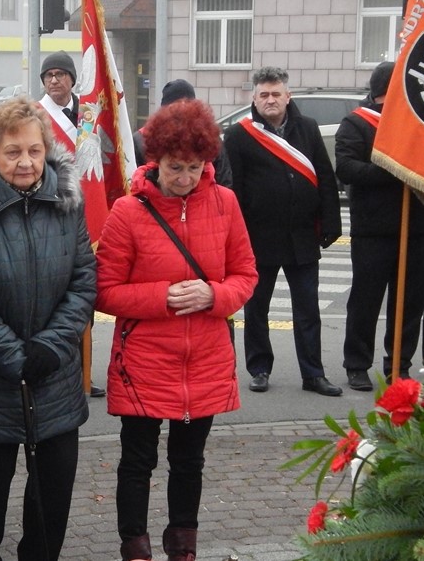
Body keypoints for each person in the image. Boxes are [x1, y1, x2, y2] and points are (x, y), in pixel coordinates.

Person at [96, 98, 257, 561]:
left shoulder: (224, 203)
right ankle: (135, 545)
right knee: (138, 462)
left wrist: (214, 296)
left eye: (192, 167)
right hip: (144, 359)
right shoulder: (128, 211)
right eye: (173, 168)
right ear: (155, 161)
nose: (183, 178)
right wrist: (162, 298)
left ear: (206, 162)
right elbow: (105, 291)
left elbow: (246, 274)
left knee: (189, 462)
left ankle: (183, 544)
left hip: (204, 357)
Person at [0, 96, 96, 561]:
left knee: (52, 499)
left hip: (54, 378)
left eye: (33, 150)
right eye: (12, 152)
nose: (25, 161)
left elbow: (84, 278)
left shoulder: (66, 200)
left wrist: (52, 346)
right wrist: (12, 355)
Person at [223, 66, 343, 396]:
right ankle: (259, 368)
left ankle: (313, 373)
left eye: (277, 93)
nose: (271, 99)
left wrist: (332, 223)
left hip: (302, 237)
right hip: (258, 240)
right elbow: (234, 191)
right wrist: (236, 239)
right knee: (257, 309)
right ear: (254, 98)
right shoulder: (239, 135)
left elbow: (325, 177)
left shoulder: (308, 128)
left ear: (287, 96)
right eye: (264, 94)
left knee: (308, 311)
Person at [336, 61, 424, 390]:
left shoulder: (416, 124)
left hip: (416, 230)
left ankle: (398, 366)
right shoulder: (355, 124)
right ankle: (357, 364)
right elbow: (345, 168)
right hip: (373, 229)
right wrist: (393, 168)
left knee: (409, 303)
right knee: (366, 300)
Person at [37, 50, 106, 398]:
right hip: (51, 211)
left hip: (87, 214)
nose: (54, 81)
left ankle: (85, 373)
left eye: (60, 74)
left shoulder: (88, 112)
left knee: (84, 299)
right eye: (48, 75)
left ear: (72, 79)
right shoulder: (36, 115)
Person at [132, 80, 233, 188]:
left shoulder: (208, 138)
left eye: (194, 167)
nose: (185, 180)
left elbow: (223, 179)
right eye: (175, 167)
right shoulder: (141, 140)